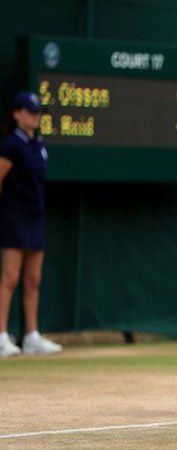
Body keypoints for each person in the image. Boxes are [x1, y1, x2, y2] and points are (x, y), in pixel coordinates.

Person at [0, 92, 63, 357]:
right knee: (10, 278)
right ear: (16, 113)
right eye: (30, 111)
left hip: (35, 217)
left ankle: (31, 336)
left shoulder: (38, 142)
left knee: (33, 279)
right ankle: (1, 336)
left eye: (38, 112)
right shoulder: (10, 144)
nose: (35, 116)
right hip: (14, 217)